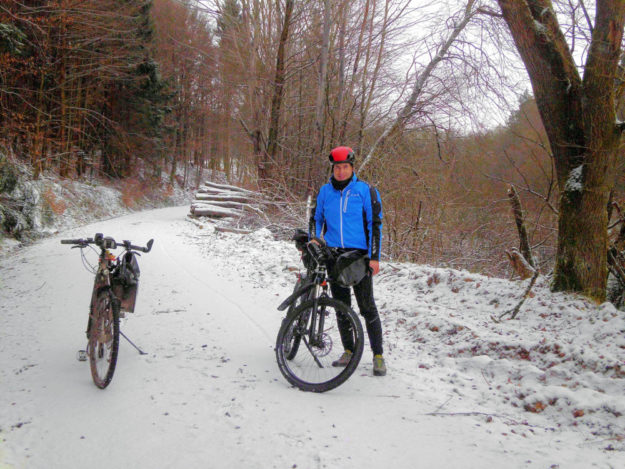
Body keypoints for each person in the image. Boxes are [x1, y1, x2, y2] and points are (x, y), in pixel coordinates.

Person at [309, 146, 386, 376]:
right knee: (342, 307)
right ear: (332, 169)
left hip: (358, 257)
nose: (340, 171)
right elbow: (316, 218)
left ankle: (378, 355)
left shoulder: (365, 191)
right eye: (337, 167)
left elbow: (375, 225)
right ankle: (349, 350)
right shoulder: (325, 192)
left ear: (352, 168)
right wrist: (314, 239)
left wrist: (374, 257)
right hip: (333, 255)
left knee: (367, 307)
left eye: (345, 167)